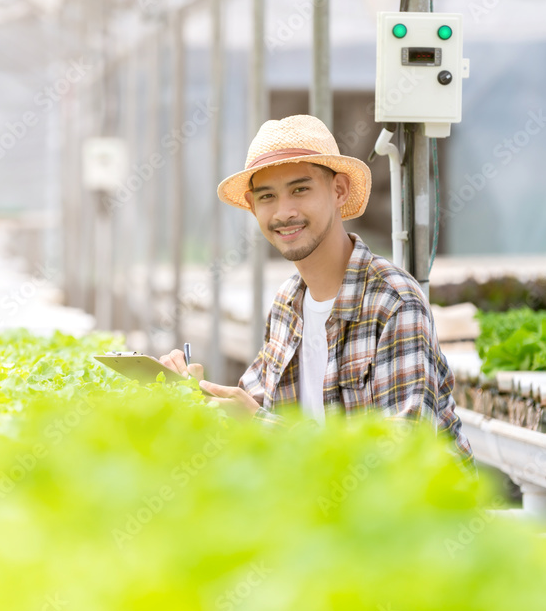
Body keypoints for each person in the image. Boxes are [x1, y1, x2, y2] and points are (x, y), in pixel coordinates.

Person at [159, 114, 473, 462]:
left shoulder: (392, 301)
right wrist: (195, 391)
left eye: (300, 189)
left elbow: (403, 455)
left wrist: (261, 424)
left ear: (339, 190)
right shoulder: (287, 304)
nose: (283, 212)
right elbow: (251, 407)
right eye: (267, 197)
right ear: (252, 207)